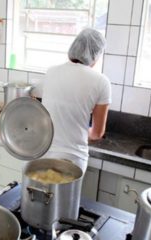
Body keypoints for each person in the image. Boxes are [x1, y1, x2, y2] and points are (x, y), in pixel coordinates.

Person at [42, 28, 111, 174]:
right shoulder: (101, 82)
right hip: (73, 160)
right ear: (96, 54)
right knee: (66, 197)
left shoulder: (51, 72)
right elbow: (97, 133)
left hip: (43, 153)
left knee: (40, 195)